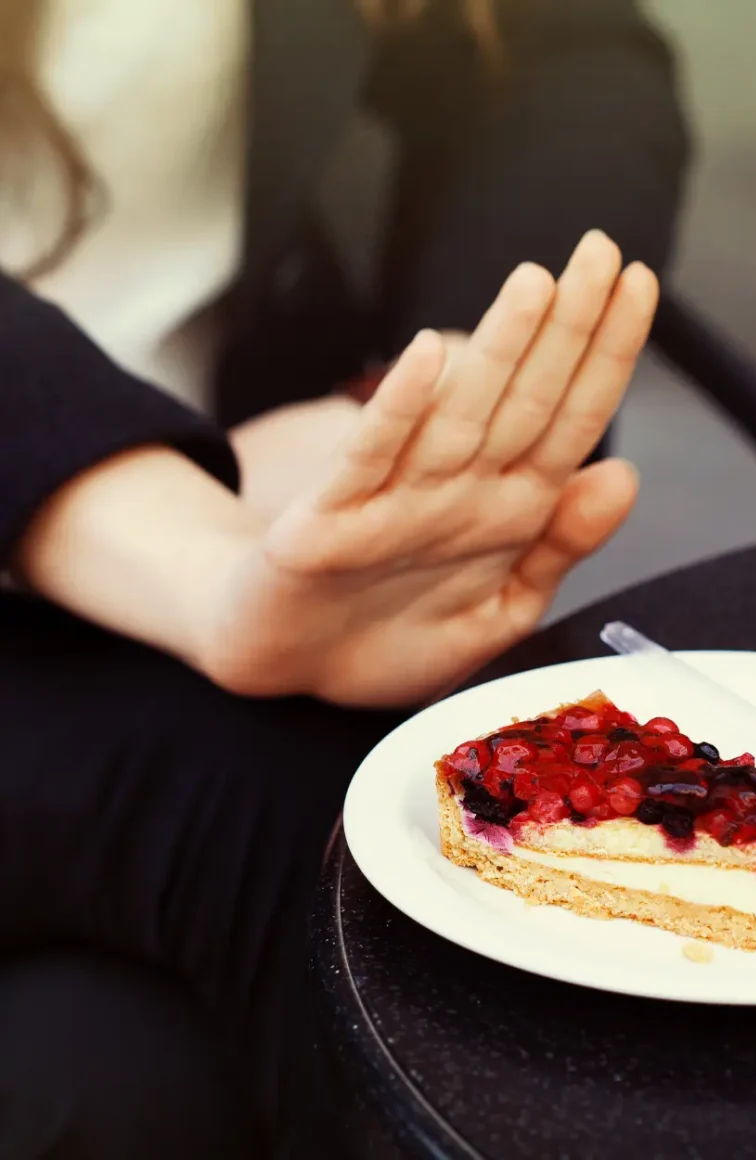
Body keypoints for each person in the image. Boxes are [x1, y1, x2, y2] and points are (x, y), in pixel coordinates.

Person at [0, 1, 687, 1157]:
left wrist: (425, 393)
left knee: (115, 1080)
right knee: (346, 828)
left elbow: (571, 53)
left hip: (233, 529)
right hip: (162, 563)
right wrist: (196, 552)